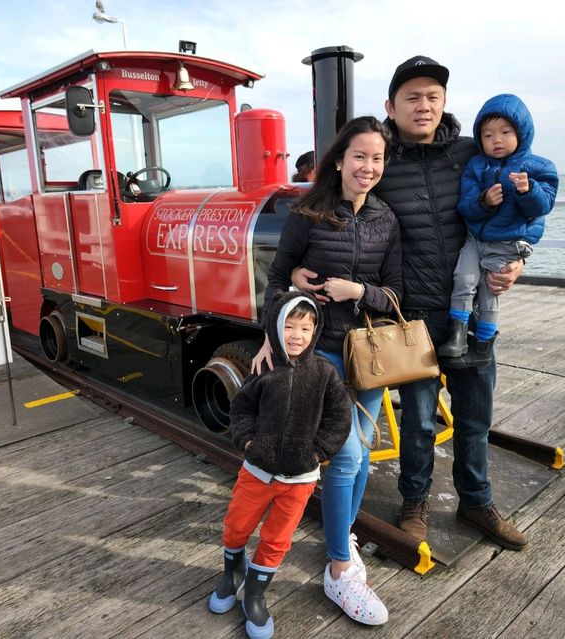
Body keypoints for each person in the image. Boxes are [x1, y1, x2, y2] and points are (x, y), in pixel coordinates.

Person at [292, 56, 528, 551]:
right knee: (419, 421)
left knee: (475, 414)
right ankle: (414, 503)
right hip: (412, 315)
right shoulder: (381, 161)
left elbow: (517, 209)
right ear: (391, 106)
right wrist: (294, 268)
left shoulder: (471, 153)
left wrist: (519, 261)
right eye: (412, 97)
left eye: (433, 97)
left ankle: (476, 501)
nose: (424, 106)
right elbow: (338, 211)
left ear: (444, 103)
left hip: (475, 309)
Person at [252, 115, 401, 625]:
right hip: (324, 356)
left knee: (359, 460)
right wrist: (274, 336)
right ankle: (340, 569)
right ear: (339, 160)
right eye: (359, 156)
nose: (368, 167)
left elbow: (396, 294)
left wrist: (357, 291)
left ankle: (346, 537)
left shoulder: (386, 219)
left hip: (370, 355)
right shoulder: (307, 213)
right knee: (345, 457)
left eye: (377, 158)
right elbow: (275, 279)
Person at [209, 290, 352, 639]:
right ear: (276, 326)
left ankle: (255, 597)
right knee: (236, 526)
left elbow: (340, 418)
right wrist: (247, 442)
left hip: (300, 478)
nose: (296, 335)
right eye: (289, 326)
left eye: (305, 328)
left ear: (315, 331)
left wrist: (317, 452)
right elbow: (241, 409)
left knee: (277, 539)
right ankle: (232, 575)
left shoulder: (325, 373)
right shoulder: (264, 367)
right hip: (257, 470)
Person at [438, 93, 558, 365]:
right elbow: (465, 205)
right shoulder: (475, 165)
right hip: (474, 239)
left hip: (505, 243)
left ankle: (484, 344)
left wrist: (528, 191)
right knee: (465, 280)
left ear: (522, 133)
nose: (497, 140)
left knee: (490, 292)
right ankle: (457, 336)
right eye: (488, 135)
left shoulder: (539, 167)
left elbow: (542, 207)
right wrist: (484, 202)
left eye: (505, 132)